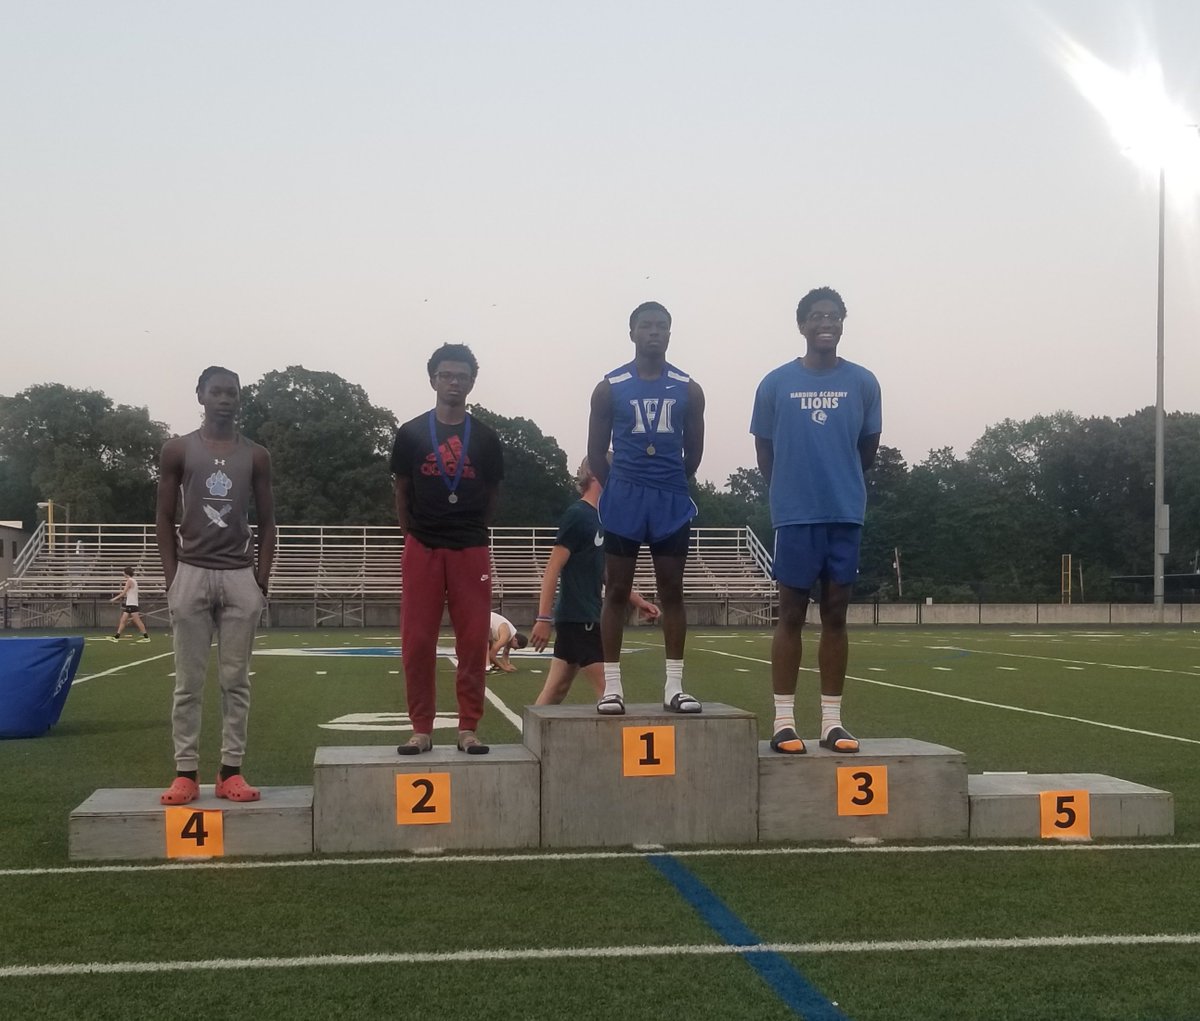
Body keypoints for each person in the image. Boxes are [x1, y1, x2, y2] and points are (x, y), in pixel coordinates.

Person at [750, 286, 881, 755]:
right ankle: (784, 721)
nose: (826, 323)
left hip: (844, 512)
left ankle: (831, 722)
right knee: (790, 614)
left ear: (843, 323)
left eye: (834, 315)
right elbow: (764, 450)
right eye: (816, 316)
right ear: (801, 325)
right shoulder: (775, 383)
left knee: (836, 615)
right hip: (795, 515)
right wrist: (789, 491)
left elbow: (867, 449)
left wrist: (838, 484)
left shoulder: (864, 382)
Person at [156, 366, 276, 805]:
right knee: (187, 682)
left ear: (240, 399)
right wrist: (173, 580)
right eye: (217, 392)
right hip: (191, 571)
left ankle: (230, 772)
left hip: (239, 576)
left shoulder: (256, 455)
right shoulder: (177, 450)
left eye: (232, 393)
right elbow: (164, 519)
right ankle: (185, 772)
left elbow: (267, 522)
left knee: (236, 681)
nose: (225, 399)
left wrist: (259, 581)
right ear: (201, 396)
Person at [586, 301, 705, 715]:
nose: (654, 332)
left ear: (670, 334)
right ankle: (612, 688)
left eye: (661, 326)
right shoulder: (610, 386)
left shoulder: (689, 388)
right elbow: (595, 453)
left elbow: (694, 456)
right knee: (616, 590)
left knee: (672, 590)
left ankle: (674, 685)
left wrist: (666, 480)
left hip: (669, 497)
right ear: (632, 332)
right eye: (646, 326)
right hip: (625, 497)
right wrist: (619, 485)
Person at [391, 343, 504, 755]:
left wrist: (470, 526)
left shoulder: (487, 438)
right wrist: (412, 533)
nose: (454, 382)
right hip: (422, 545)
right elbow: (402, 490)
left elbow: (492, 494)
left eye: (461, 376)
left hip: (470, 547)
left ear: (472, 382)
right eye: (446, 375)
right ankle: (421, 727)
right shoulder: (411, 433)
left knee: (473, 640)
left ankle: (468, 727)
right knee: (417, 640)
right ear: (433, 379)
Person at [531, 457, 660, 705]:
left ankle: (530, 740)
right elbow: (552, 568)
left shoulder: (602, 518)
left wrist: (638, 601)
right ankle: (618, 745)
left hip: (583, 618)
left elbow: (607, 575)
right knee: (610, 692)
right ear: (595, 474)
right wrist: (543, 618)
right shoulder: (578, 515)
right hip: (580, 619)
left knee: (556, 690)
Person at [107, 566, 150, 643]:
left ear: (126, 573)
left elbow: (123, 593)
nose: (122, 573)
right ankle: (117, 636)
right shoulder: (133, 580)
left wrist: (114, 598)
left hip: (132, 604)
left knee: (137, 621)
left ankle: (146, 637)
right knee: (123, 620)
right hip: (130, 604)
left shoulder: (129, 581)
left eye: (123, 572)